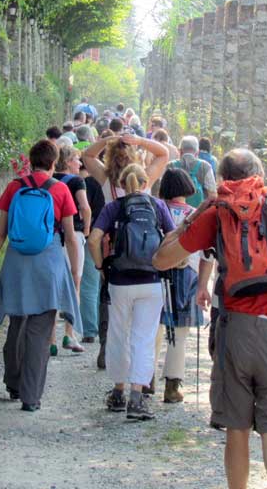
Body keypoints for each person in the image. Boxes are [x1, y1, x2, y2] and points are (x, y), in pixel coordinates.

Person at [153, 148, 267, 489]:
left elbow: (161, 259)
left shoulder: (217, 212)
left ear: (222, 180)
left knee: (238, 427)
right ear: (260, 173)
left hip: (236, 331)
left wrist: (196, 214)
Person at [0, 140, 82, 412]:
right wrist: (74, 272)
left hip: (16, 262)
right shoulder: (60, 189)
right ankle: (31, 396)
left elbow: (1, 232)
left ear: (30, 160)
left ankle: (13, 383)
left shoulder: (15, 187)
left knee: (17, 323)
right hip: (48, 264)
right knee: (39, 331)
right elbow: (70, 237)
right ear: (53, 163)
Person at [88, 164, 176, 421]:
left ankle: (118, 392)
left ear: (122, 182)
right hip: (152, 280)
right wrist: (165, 263)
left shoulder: (113, 207)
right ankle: (136, 398)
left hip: (120, 281)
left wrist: (100, 266)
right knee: (144, 338)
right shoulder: (158, 207)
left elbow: (93, 240)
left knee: (118, 334)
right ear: (146, 181)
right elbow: (172, 238)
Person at [82, 133, 169, 368]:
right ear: (134, 157)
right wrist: (139, 140)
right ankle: (143, 366)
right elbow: (164, 153)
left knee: (109, 299)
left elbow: (87, 155)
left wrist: (108, 140)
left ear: (110, 157)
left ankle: (106, 347)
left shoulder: (106, 179)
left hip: (113, 250)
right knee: (144, 310)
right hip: (144, 252)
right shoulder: (145, 180)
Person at [155, 168, 214, 403]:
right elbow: (207, 255)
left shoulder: (156, 210)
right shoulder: (195, 214)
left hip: (156, 273)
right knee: (179, 333)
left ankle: (145, 379)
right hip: (186, 275)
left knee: (153, 329)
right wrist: (203, 284)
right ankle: (172, 384)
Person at [50, 145, 92, 355]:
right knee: (74, 283)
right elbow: (84, 207)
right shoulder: (77, 181)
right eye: (76, 159)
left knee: (52, 286)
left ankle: (50, 340)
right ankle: (69, 333)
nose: (80, 163)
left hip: (50, 237)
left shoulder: (49, 179)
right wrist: (86, 229)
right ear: (67, 162)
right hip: (72, 235)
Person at [78, 155, 106, 342]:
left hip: (92, 234)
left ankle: (89, 329)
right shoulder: (114, 182)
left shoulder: (87, 183)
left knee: (89, 283)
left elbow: (83, 209)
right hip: (111, 236)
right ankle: (104, 324)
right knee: (106, 284)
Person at [168, 135, 217, 207]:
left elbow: (162, 193)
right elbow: (213, 196)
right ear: (197, 153)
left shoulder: (170, 166)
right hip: (197, 214)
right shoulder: (205, 166)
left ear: (180, 151)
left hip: (172, 213)